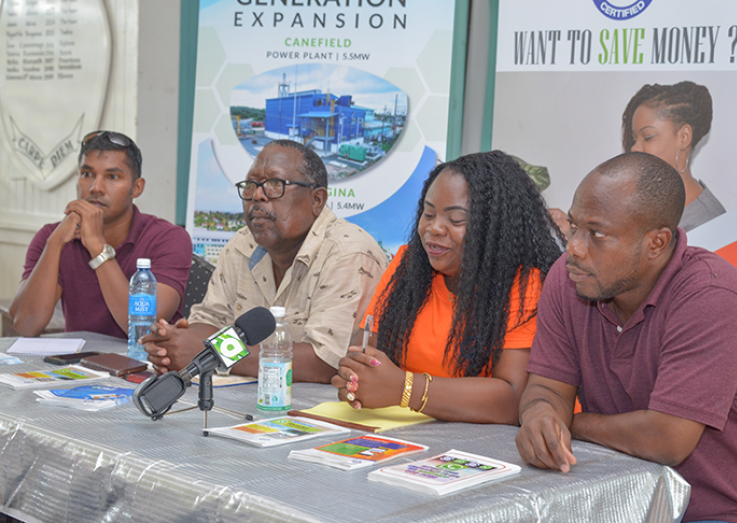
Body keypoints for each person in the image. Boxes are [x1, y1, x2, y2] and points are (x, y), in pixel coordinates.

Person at [515, 152, 737, 523]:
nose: (575, 247)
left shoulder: (712, 295)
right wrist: (540, 416)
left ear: (657, 243)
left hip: (726, 513)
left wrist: (567, 424)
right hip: (620, 502)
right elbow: (547, 390)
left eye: (596, 233)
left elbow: (666, 439)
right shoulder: (570, 279)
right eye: (574, 225)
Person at [332, 151, 563, 424]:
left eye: (455, 220)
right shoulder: (408, 266)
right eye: (428, 214)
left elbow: (514, 398)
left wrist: (404, 390)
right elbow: (366, 353)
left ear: (495, 229)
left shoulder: (525, 286)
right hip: (404, 437)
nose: (434, 228)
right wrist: (357, 378)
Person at [142, 140, 387, 383]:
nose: (257, 195)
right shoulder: (242, 244)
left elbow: (324, 363)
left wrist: (214, 355)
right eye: (251, 185)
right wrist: (172, 342)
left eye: (274, 184)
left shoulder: (348, 253)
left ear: (317, 200)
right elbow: (210, 323)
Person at [10, 131, 192, 339]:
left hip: (146, 365)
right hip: (79, 367)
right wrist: (55, 243)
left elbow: (140, 329)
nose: (96, 187)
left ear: (137, 188)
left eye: (112, 177)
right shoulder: (53, 237)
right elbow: (25, 325)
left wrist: (97, 246)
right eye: (87, 174)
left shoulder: (169, 239)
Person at [622, 80, 725, 231]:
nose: (635, 148)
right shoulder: (637, 205)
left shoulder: (708, 224)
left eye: (648, 136)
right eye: (634, 139)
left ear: (684, 137)